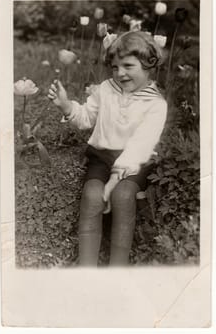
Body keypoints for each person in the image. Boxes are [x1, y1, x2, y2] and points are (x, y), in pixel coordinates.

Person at [48, 31, 168, 266]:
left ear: (148, 65)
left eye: (128, 65)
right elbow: (85, 118)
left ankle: (118, 268)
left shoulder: (155, 104)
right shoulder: (105, 89)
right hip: (102, 158)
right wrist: (65, 106)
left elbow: (138, 147)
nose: (120, 73)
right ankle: (87, 269)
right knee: (93, 195)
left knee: (123, 196)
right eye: (115, 67)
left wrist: (112, 185)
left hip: (136, 162)